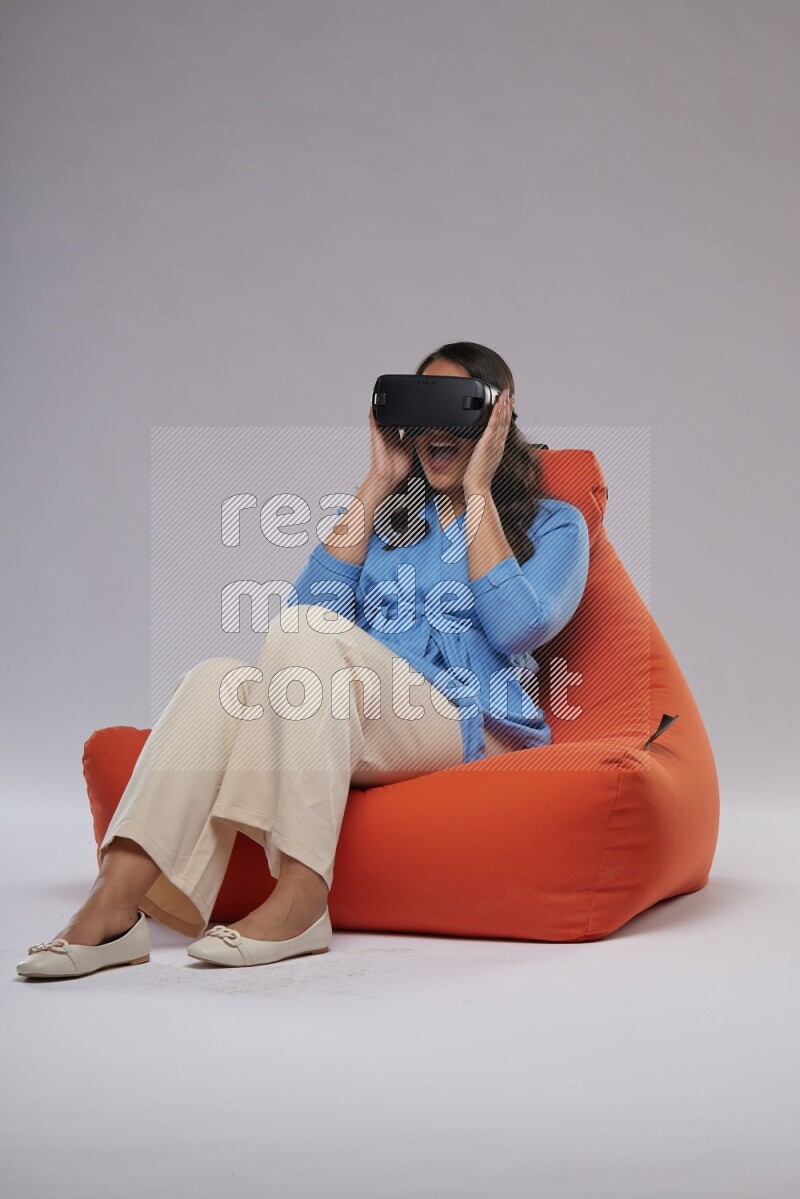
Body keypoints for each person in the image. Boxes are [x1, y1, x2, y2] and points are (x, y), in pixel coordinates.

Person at [16, 341, 590, 979]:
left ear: (495, 420)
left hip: (472, 724)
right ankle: (114, 907)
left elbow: (516, 629)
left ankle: (302, 897)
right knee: (215, 682)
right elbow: (303, 616)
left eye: (451, 409)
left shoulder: (553, 523)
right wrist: (376, 485)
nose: (432, 429)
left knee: (304, 635)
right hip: (374, 716)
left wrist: (478, 489)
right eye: (416, 408)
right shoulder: (394, 523)